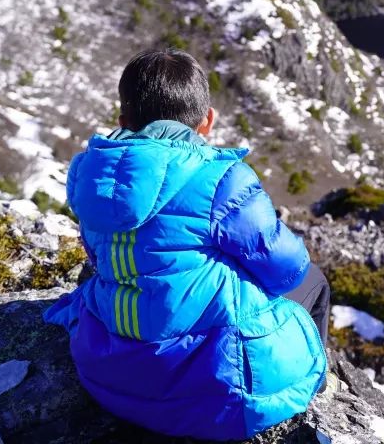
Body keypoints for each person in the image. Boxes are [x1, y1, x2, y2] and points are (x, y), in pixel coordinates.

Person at [44, 48, 328, 440]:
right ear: (207, 122)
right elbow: (286, 267)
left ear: (123, 121)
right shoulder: (223, 179)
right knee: (313, 280)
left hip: (108, 377)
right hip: (216, 395)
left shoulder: (91, 180)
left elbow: (96, 259)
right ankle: (315, 384)